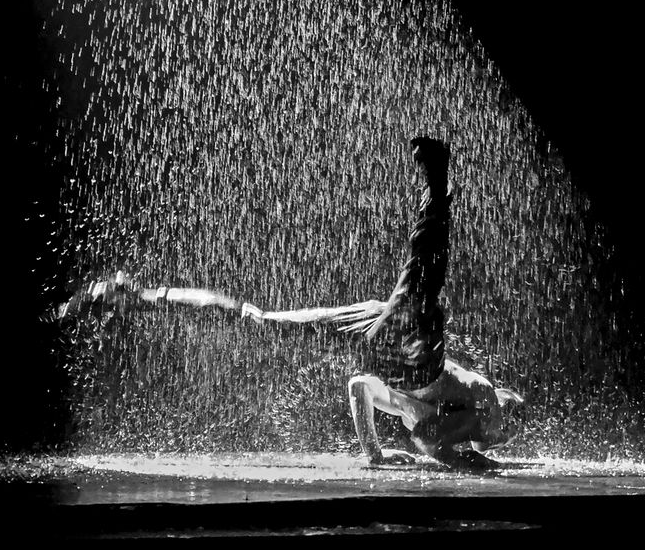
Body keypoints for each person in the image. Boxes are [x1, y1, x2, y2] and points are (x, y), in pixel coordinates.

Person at [56, 137, 523, 471]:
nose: (504, 436)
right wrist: (487, 465)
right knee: (420, 276)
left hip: (380, 337)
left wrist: (376, 454)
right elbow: (428, 438)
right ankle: (437, 184)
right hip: (410, 353)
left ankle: (138, 298)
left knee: (259, 321)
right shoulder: (489, 407)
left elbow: (362, 386)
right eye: (508, 428)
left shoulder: (458, 400)